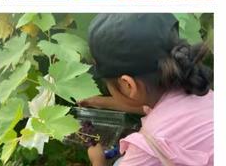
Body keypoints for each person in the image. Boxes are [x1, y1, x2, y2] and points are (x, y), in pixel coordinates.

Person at [83, 14, 213, 166]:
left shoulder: (150, 144)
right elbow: (144, 107)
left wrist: (97, 160)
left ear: (128, 85)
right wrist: (97, 102)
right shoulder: (195, 91)